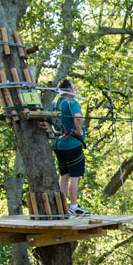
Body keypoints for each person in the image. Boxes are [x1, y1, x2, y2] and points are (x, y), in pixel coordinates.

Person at [48, 78, 88, 215]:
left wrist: (53, 133)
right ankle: (73, 206)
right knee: (74, 176)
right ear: (70, 90)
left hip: (58, 144)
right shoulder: (72, 103)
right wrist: (79, 131)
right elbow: (77, 117)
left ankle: (62, 205)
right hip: (72, 144)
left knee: (63, 175)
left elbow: (46, 120)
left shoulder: (54, 105)